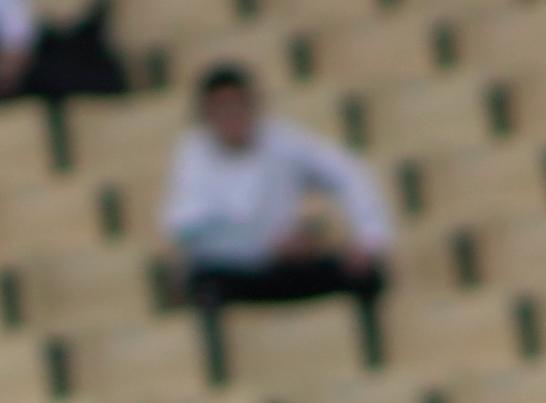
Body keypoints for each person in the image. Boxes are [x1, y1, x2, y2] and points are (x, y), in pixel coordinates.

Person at [158, 62, 389, 311]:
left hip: (286, 268)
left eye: (237, 106)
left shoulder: (283, 141)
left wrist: (367, 239)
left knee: (366, 274)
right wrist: (266, 244)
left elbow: (348, 174)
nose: (231, 117)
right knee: (202, 286)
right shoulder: (193, 155)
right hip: (233, 273)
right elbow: (184, 228)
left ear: (253, 105)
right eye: (221, 109)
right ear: (207, 115)